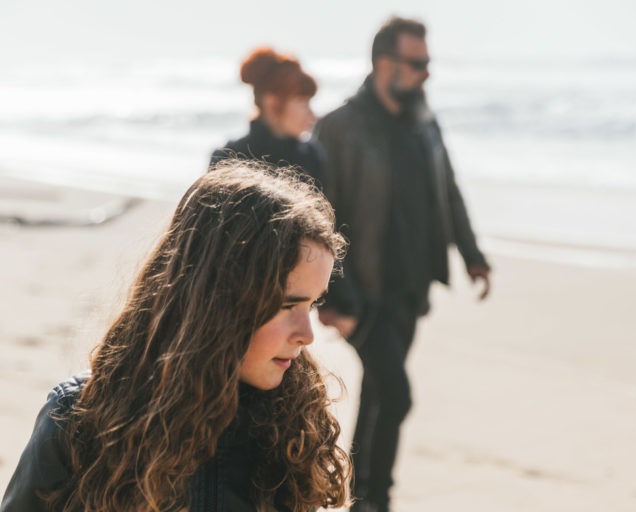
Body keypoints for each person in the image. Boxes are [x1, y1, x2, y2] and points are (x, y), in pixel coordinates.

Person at [1, 161, 351, 512]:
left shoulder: (291, 430)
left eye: (312, 304)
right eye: (287, 305)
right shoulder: (78, 421)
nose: (307, 335)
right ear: (218, 300)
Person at [313, 16, 492, 512]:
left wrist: (472, 255)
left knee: (377, 397)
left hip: (412, 287)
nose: (426, 74)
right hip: (362, 291)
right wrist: (333, 294)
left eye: (428, 63)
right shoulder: (340, 127)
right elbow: (320, 215)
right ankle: (372, 497)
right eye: (417, 64)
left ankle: (363, 498)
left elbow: (448, 192)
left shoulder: (424, 122)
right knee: (396, 394)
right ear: (383, 64)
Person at [209, 47, 324, 185]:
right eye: (302, 103)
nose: (312, 115)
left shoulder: (311, 156)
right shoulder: (230, 157)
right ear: (271, 102)